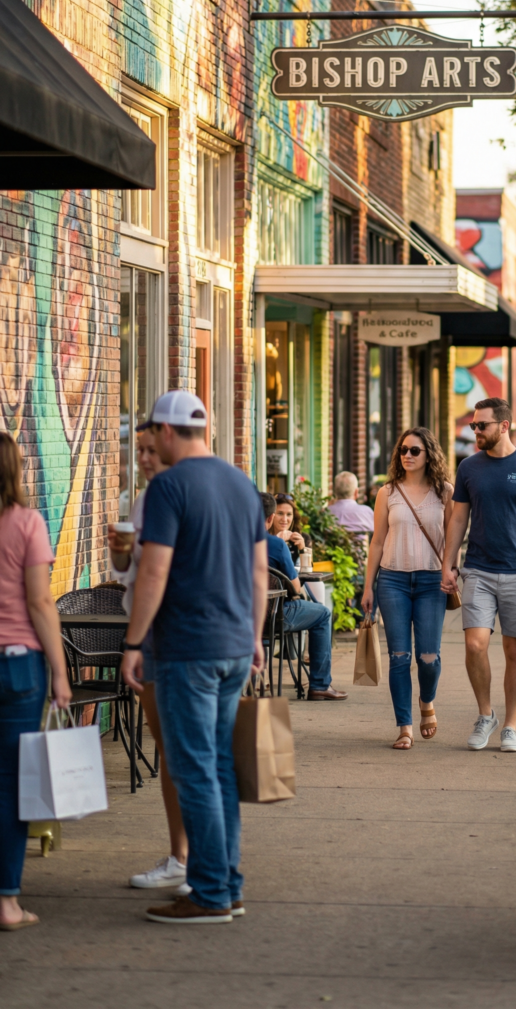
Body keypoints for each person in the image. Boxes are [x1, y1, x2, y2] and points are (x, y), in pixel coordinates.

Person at [121, 390, 268, 926]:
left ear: (164, 431)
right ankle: (226, 885)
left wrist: (134, 644)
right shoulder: (240, 483)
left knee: (194, 771)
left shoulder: (168, 487)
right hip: (233, 646)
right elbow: (258, 573)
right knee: (220, 770)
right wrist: (254, 637)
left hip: (188, 649)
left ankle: (208, 893)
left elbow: (154, 572)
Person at [441, 397, 516, 753]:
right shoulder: (468, 468)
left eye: (482, 426)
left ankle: (510, 726)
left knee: (514, 650)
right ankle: (485, 715)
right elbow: (458, 518)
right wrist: (449, 563)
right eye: (473, 426)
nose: (476, 431)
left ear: (504, 426)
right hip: (478, 568)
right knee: (475, 644)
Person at [108, 425, 188, 894]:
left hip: (176, 636)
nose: (141, 457)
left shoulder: (179, 495)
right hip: (151, 635)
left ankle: (195, 861)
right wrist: (119, 556)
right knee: (167, 749)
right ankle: (182, 855)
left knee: (185, 753)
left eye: (149, 449)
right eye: (136, 450)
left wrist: (133, 644)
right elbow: (131, 574)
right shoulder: (141, 501)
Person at [0, 431, 71, 931]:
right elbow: (42, 602)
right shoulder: (26, 523)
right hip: (17, 665)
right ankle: (6, 903)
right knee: (11, 785)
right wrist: (62, 673)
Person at [361, 428, 453, 749]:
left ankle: (426, 701)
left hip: (431, 582)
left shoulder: (445, 492)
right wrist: (368, 586)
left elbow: (454, 541)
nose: (407, 456)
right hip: (392, 581)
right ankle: (405, 726)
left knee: (428, 656)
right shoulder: (388, 493)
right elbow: (377, 542)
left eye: (414, 450)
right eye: (403, 450)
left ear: (429, 454)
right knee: (399, 656)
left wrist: (450, 569)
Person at [262, 492, 347, 700]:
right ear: (271, 517)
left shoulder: (231, 540)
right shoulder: (276, 544)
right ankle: (319, 685)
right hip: (273, 616)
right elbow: (297, 587)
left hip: (239, 617)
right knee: (323, 614)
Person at [327, 471, 375, 541]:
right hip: (360, 551)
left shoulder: (326, 513)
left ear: (334, 492)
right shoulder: (366, 512)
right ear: (356, 492)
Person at [272, 493, 306, 566]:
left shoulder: (300, 538)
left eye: (289, 514)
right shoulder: (263, 538)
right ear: (272, 515)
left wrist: (302, 550)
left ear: (293, 516)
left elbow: (307, 574)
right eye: (280, 513)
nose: (284, 519)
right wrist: (276, 542)